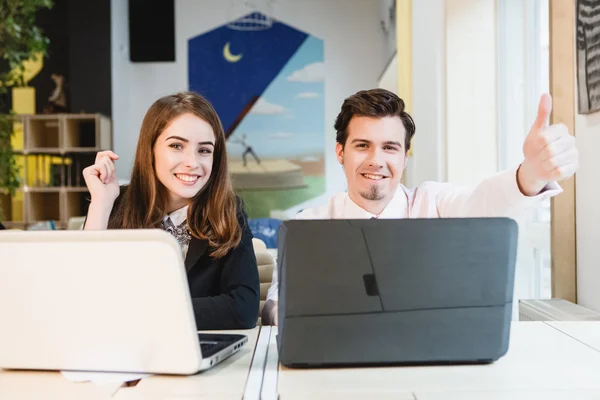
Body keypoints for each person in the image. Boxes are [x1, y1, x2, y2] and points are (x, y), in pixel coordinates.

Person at [261, 88, 578, 326]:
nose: (376, 160)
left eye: (389, 147)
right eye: (362, 146)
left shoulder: (435, 205)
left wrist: (531, 174)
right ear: (340, 152)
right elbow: (275, 304)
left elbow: (482, 203)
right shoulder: (307, 225)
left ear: (404, 156)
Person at [83, 91, 260, 330]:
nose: (192, 162)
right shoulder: (113, 203)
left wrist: (149, 313)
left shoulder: (228, 211)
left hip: (195, 351)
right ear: (151, 149)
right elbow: (83, 296)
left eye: (204, 150)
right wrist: (101, 205)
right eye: (177, 146)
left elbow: (243, 309)